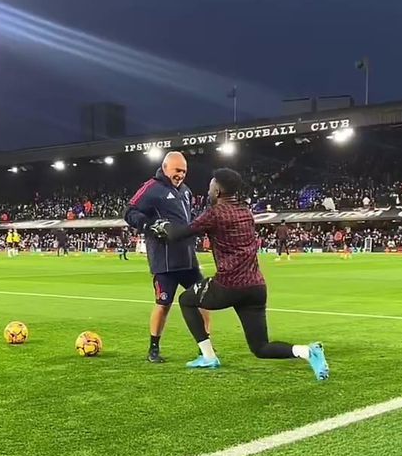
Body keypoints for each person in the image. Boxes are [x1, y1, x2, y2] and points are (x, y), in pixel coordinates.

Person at [150, 167, 329, 379]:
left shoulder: (216, 213)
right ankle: (307, 352)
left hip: (229, 285)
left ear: (217, 190)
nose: (208, 190)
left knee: (186, 300)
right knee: (260, 347)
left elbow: (181, 234)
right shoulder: (246, 211)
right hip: (256, 287)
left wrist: (163, 226)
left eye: (210, 186)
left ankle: (208, 356)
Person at [125, 151, 209, 363]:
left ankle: (205, 348)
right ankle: (153, 348)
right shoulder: (151, 188)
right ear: (165, 168)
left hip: (188, 260)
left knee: (204, 301)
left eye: (184, 171)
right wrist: (150, 225)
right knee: (163, 304)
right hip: (164, 262)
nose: (181, 174)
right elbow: (129, 211)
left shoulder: (186, 192)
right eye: (177, 170)